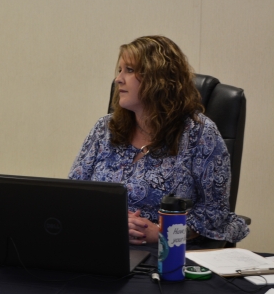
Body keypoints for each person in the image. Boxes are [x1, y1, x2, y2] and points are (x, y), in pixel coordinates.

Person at [68, 35, 249, 246]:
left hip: (166, 253)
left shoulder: (198, 134)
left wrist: (164, 232)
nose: (118, 79)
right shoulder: (104, 129)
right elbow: (74, 196)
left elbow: (215, 213)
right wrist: (110, 222)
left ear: (158, 80)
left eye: (129, 70)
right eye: (119, 70)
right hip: (100, 244)